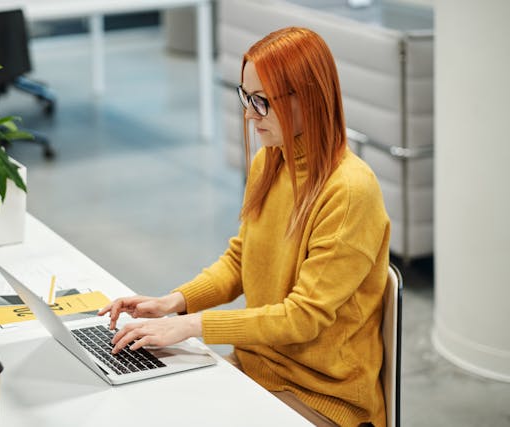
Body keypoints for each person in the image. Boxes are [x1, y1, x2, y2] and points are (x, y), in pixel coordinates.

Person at [99, 27, 390, 427]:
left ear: (308, 98)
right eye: (244, 96)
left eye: (262, 101)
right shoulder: (271, 162)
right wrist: (174, 302)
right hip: (257, 367)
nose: (249, 114)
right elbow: (242, 259)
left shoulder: (351, 191)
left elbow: (302, 318)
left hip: (323, 395)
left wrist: (190, 326)